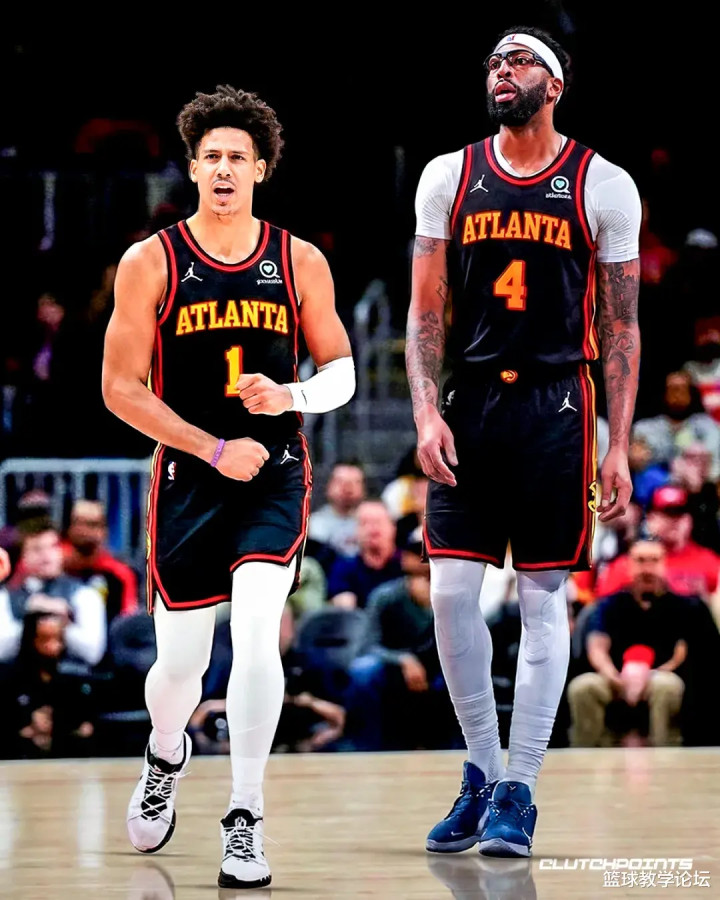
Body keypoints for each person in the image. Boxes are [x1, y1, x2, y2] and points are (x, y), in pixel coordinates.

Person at [102, 85, 355, 890]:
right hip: (190, 473)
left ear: (261, 169)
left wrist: (291, 395)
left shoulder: (298, 259)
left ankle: (245, 816)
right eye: (209, 156)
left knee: (255, 632)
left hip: (274, 473)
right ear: (191, 168)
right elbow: (119, 388)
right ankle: (165, 751)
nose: (222, 169)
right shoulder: (151, 261)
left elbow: (343, 372)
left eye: (236, 157)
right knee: (181, 664)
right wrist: (212, 448)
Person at [405, 26, 641, 857]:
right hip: (469, 400)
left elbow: (621, 325)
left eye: (520, 61)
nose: (502, 71)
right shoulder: (449, 174)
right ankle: (482, 767)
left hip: (557, 406)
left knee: (544, 599)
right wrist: (425, 412)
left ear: (556, 84)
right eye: (495, 63)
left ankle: (521, 788)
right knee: (447, 593)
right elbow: (425, 309)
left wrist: (618, 444)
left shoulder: (603, 182)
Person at [568, 539, 693, 747]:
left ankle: (666, 755)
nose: (647, 569)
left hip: (659, 676)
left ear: (665, 564)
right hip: (615, 680)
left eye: (654, 561)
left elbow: (681, 652)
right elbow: (597, 648)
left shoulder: (683, 607)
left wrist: (652, 675)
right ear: (629, 565)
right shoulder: (609, 605)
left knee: (667, 686)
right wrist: (614, 678)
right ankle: (586, 756)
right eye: (640, 561)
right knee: (583, 687)